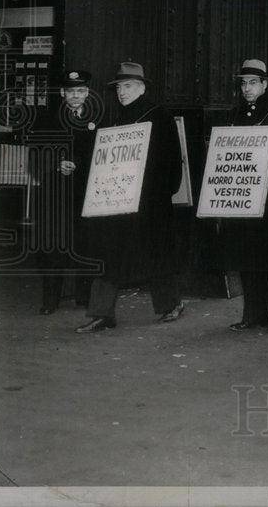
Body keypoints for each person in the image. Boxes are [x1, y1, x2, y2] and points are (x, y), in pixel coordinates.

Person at [76, 62, 185, 332]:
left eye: (127, 86)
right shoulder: (112, 118)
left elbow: (173, 160)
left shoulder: (159, 116)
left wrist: (162, 193)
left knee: (156, 253)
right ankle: (102, 313)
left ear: (142, 88)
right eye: (118, 88)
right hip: (117, 200)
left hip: (151, 201)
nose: (121, 92)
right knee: (108, 252)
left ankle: (171, 304)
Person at [216, 60, 268, 333]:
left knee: (264, 254)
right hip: (240, 196)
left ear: (264, 85)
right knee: (243, 253)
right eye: (243, 83)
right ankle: (252, 313)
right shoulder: (233, 115)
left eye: (253, 83)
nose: (247, 88)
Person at [35, 68, 100, 314]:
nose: (76, 96)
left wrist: (81, 166)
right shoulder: (46, 118)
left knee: (86, 244)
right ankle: (50, 301)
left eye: (81, 91)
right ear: (63, 92)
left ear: (87, 93)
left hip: (85, 194)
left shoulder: (96, 119)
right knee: (54, 247)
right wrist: (55, 164)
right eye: (71, 91)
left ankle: (84, 297)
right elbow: (35, 157)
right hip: (56, 195)